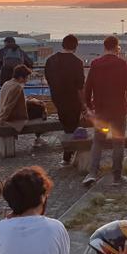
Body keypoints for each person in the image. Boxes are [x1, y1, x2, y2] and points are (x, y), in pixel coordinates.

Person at [82, 35, 127, 187]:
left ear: (104, 47)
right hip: (118, 110)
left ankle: (92, 173)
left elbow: (88, 88)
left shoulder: (96, 64)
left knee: (98, 141)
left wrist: (90, 108)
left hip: (101, 111)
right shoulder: (122, 63)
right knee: (118, 142)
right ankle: (117, 176)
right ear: (117, 47)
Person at [44, 34, 86, 166]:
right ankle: (68, 155)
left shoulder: (51, 60)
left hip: (57, 98)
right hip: (73, 99)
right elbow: (80, 85)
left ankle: (69, 154)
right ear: (75, 47)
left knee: (67, 126)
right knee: (72, 126)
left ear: (62, 44)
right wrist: (84, 104)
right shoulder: (77, 62)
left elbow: (48, 79)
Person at [0, 64, 30, 132]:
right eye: (26, 77)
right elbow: (9, 105)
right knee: (39, 110)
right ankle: (38, 137)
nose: (27, 80)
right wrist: (1, 121)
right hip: (11, 118)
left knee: (36, 105)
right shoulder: (17, 87)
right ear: (21, 77)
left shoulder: (7, 83)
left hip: (3, 113)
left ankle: (38, 138)